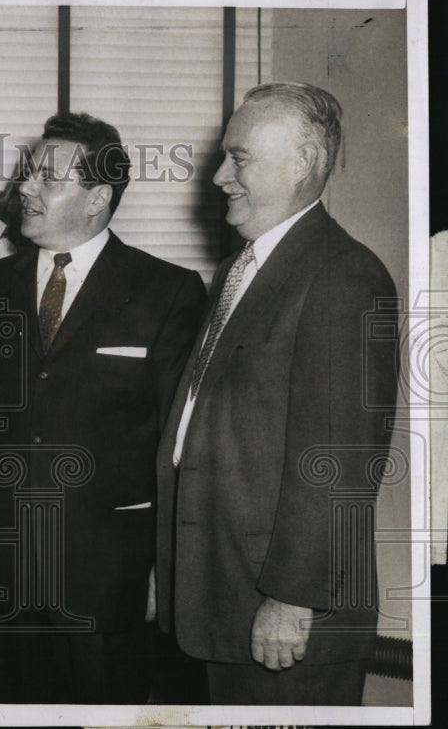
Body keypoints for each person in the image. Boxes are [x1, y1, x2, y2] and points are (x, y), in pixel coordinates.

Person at [0, 112, 206, 703]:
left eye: (48, 179)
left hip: (108, 576)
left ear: (97, 198)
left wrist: (168, 565)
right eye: (28, 174)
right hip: (1, 571)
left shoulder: (167, 292)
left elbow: (180, 442)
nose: (24, 189)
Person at [154, 82, 400, 705]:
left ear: (304, 162)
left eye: (239, 159)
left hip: (284, 610)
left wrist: (292, 599)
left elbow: (340, 460)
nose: (217, 178)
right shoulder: (242, 269)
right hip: (220, 592)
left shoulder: (343, 275)